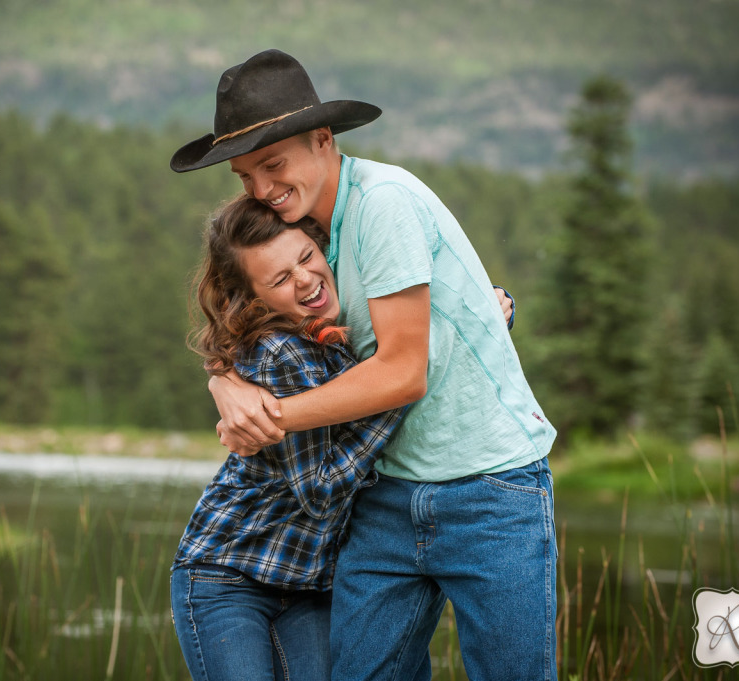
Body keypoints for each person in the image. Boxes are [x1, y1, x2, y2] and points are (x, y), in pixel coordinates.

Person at [171, 49, 557, 680]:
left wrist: (268, 416)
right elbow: (258, 318)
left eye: (273, 164)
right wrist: (227, 379)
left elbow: (403, 373)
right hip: (384, 497)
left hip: (487, 489)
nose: (261, 189)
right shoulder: (311, 231)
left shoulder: (382, 203)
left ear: (323, 140)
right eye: (245, 176)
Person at [170, 194, 405, 681]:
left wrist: (489, 304)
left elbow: (415, 312)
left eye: (307, 258)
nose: (304, 279)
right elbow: (318, 492)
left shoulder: (331, 333)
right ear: (254, 298)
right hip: (228, 575)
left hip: (308, 582)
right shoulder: (283, 352)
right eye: (279, 279)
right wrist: (398, 390)